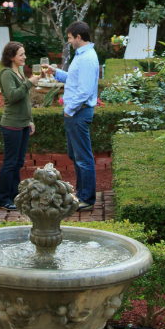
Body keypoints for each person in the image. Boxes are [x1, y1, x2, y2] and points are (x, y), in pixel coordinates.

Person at [42, 21, 99, 210]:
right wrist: (56, 72)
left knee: (83, 157)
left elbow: (84, 91)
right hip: (76, 112)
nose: (69, 41)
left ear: (78, 37)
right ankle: (82, 194)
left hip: (79, 112)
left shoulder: (88, 58)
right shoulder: (81, 55)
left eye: (69, 38)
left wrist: (69, 109)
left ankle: (87, 199)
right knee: (75, 155)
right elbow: (75, 81)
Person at [0, 41, 40, 211]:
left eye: (24, 54)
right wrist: (29, 82)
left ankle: (13, 196)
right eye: (21, 54)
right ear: (11, 57)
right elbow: (13, 96)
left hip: (22, 125)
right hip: (11, 125)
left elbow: (24, 101)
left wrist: (30, 120)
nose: (24, 57)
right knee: (10, 162)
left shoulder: (18, 72)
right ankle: (1, 198)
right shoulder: (6, 74)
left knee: (18, 162)